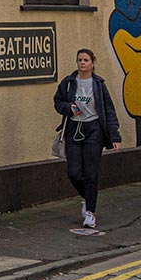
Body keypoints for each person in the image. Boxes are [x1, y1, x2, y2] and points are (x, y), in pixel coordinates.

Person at [52, 47, 123, 232]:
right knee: (73, 172)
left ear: (92, 63)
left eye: (85, 60)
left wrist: (114, 136)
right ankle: (88, 196)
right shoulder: (68, 82)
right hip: (74, 128)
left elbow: (109, 111)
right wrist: (69, 107)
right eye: (79, 60)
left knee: (91, 173)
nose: (82, 63)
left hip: (94, 129)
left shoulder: (98, 84)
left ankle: (90, 212)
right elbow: (58, 102)